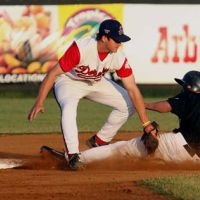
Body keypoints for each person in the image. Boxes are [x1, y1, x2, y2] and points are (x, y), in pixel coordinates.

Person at [28, 19, 157, 170]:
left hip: (95, 81)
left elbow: (133, 90)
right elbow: (52, 74)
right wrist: (39, 101)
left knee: (128, 102)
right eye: (116, 40)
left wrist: (146, 124)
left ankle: (99, 141)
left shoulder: (118, 57)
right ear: (104, 38)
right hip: (68, 82)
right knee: (69, 106)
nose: (119, 43)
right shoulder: (81, 49)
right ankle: (73, 155)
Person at [77, 70, 200, 165]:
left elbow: (165, 107)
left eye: (184, 86)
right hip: (195, 159)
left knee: (121, 147)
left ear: (191, 87)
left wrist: (143, 105)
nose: (183, 89)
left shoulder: (190, 96)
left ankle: (79, 159)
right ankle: (147, 160)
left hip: (180, 147)